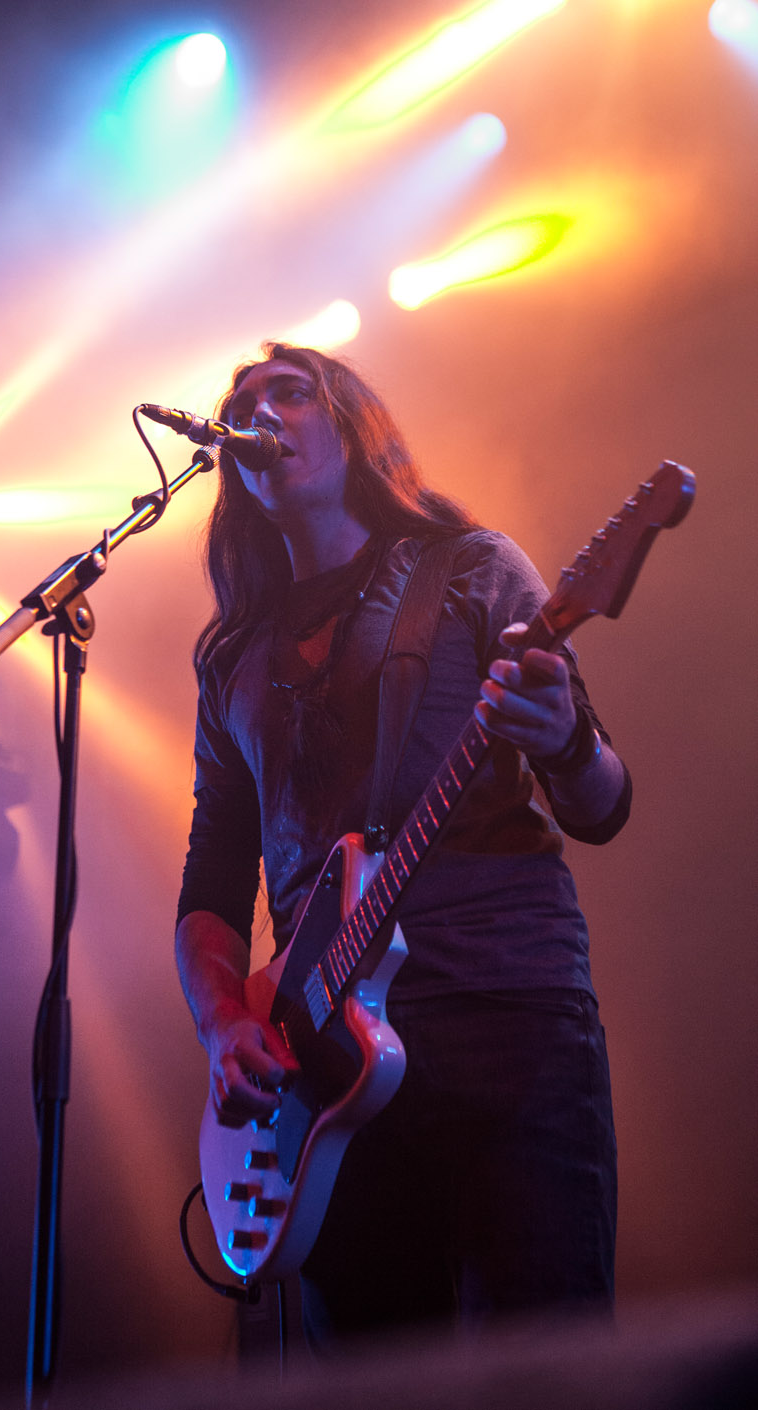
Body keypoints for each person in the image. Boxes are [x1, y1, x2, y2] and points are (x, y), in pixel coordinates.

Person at [175, 342, 630, 1349]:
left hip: (501, 1010)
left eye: (287, 392)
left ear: (352, 425)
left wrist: (559, 735)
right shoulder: (234, 660)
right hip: (322, 1075)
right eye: (241, 402)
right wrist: (222, 1025)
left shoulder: (471, 569)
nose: (258, 410)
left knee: (550, 1360)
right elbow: (211, 877)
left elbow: (599, 802)